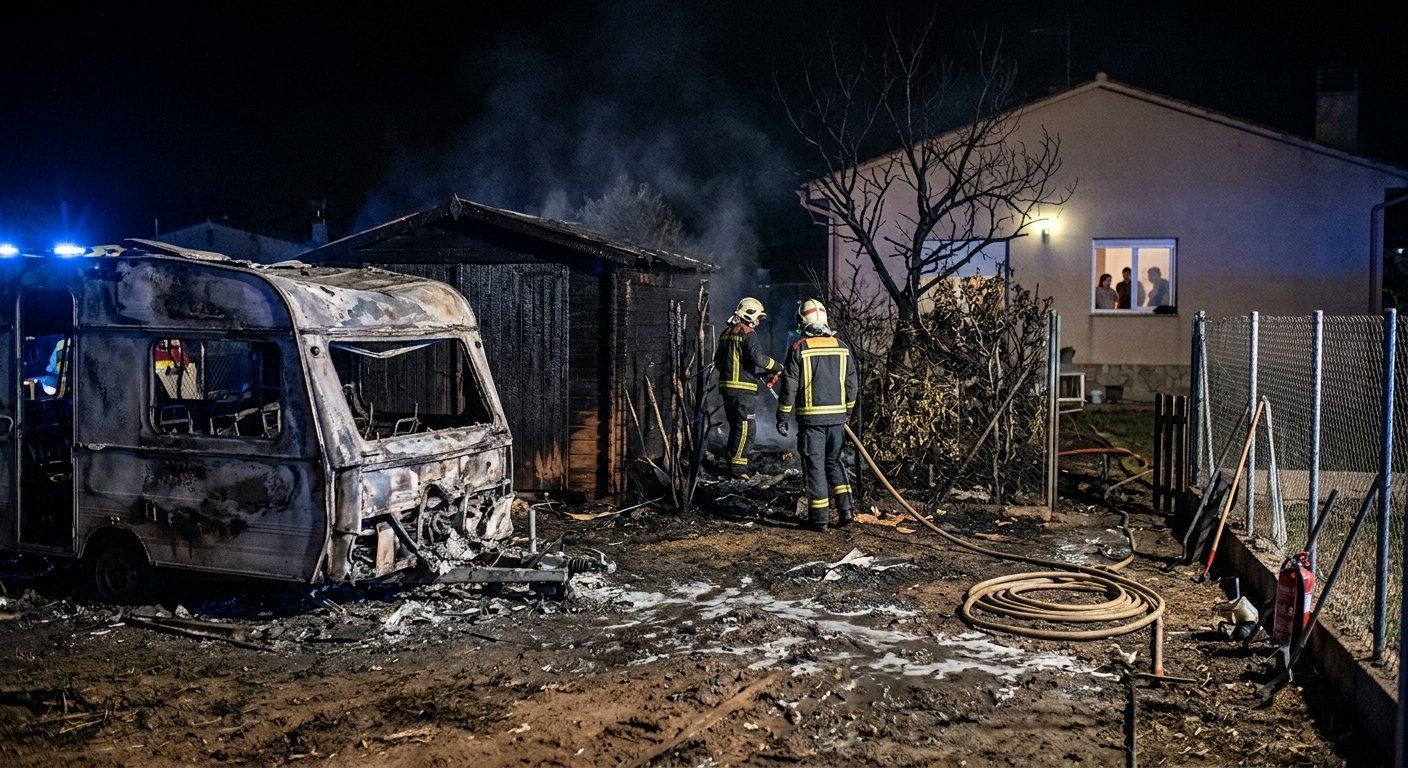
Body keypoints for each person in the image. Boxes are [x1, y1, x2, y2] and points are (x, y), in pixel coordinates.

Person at [776, 299, 859, 532]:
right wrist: (848, 412)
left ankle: (820, 520)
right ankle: (846, 512)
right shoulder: (842, 347)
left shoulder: (799, 348)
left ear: (804, 322)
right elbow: (852, 385)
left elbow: (789, 388)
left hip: (812, 421)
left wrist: (782, 417)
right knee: (834, 462)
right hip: (837, 419)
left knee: (815, 467)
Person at [714, 297, 782, 478]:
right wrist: (778, 366)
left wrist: (753, 374)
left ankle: (730, 459)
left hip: (727, 390)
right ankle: (738, 468)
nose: (758, 322)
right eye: (757, 317)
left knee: (736, 426)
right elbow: (759, 359)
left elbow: (719, 362)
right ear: (749, 316)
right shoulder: (748, 333)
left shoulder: (726, 333)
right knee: (746, 428)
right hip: (742, 391)